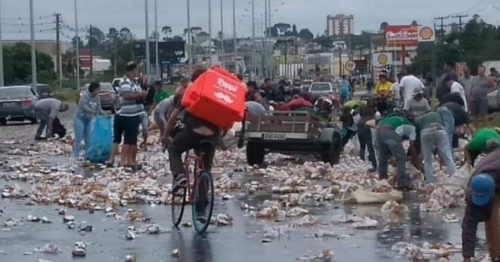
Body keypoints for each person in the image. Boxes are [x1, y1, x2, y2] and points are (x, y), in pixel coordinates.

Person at [163, 68, 221, 221]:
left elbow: (172, 118)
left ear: (195, 80)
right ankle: (201, 211)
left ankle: (180, 176)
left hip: (192, 132)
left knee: (174, 149)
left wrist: (164, 136)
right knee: (205, 168)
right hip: (211, 135)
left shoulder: (191, 92)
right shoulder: (217, 94)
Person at [461, 150, 500, 262]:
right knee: (491, 217)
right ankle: (496, 254)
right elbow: (469, 225)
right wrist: (467, 257)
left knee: (494, 216)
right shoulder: (473, 188)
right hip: (492, 175)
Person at [107, 62, 147, 168]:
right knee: (128, 140)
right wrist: (139, 95)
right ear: (132, 71)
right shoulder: (124, 82)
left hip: (134, 113)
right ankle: (123, 161)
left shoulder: (134, 83)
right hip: (128, 115)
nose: (137, 73)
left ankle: (129, 160)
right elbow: (126, 96)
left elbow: (135, 96)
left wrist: (142, 95)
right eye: (136, 70)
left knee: (131, 139)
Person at [368, 115, 420, 190]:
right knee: (401, 157)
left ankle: (382, 179)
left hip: (378, 129)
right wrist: (416, 162)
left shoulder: (397, 119)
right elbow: (412, 146)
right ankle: (402, 181)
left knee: (383, 155)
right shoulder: (412, 127)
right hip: (389, 131)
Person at [417, 111, 457, 185]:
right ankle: (454, 176)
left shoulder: (421, 118)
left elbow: (417, 134)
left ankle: (430, 181)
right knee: (448, 156)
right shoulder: (437, 114)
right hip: (439, 130)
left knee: (427, 159)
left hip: (426, 132)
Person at [73, 81, 106, 158]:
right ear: (94, 89)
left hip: (88, 120)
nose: (99, 91)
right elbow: (84, 106)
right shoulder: (84, 96)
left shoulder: (97, 97)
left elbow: (99, 109)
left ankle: (87, 155)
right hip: (79, 118)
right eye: (98, 89)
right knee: (79, 137)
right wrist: (92, 111)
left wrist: (105, 114)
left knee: (88, 139)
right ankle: (76, 156)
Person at [357, 106, 377, 172]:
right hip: (367, 132)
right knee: (370, 147)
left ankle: (362, 158)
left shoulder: (360, 120)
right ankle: (372, 159)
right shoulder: (369, 119)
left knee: (362, 146)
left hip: (360, 133)